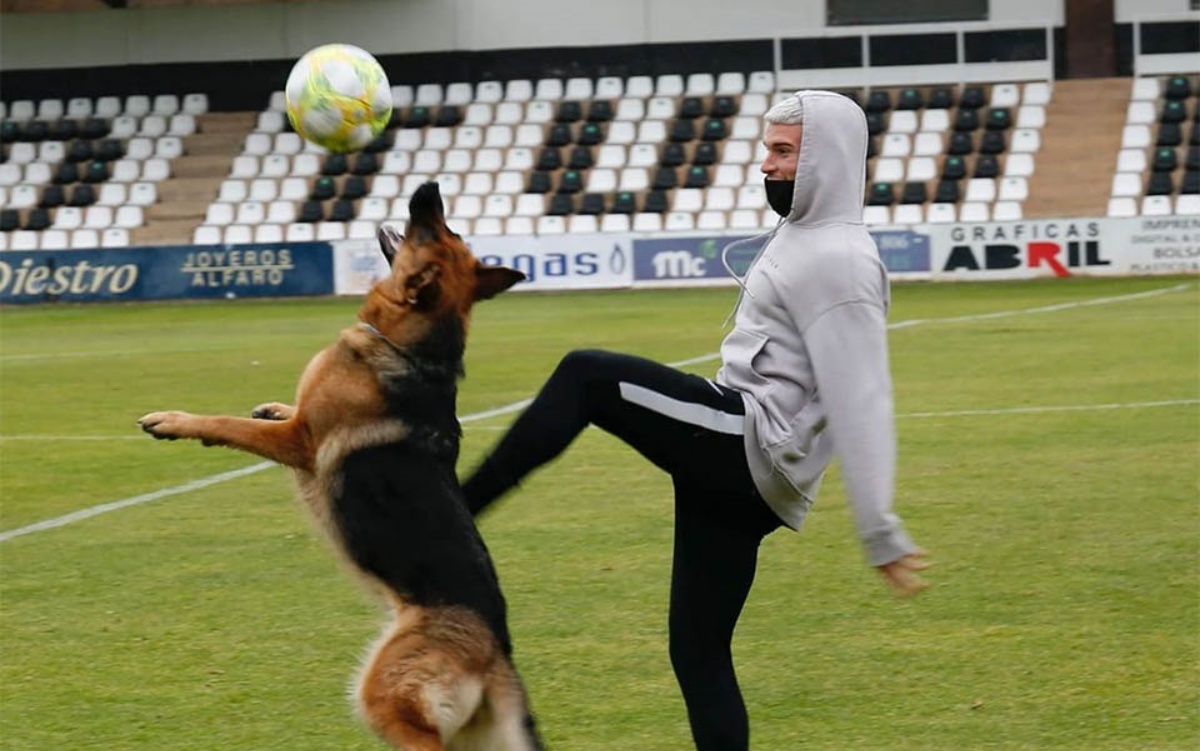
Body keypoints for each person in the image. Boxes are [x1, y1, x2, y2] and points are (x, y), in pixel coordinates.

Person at [461, 90, 930, 751]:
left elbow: (863, 396)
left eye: (783, 151)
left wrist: (879, 528)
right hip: (754, 473)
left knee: (587, 375)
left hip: (750, 445)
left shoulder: (840, 260)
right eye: (766, 148)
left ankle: (452, 512)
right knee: (699, 651)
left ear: (826, 159)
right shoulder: (809, 234)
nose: (764, 164)